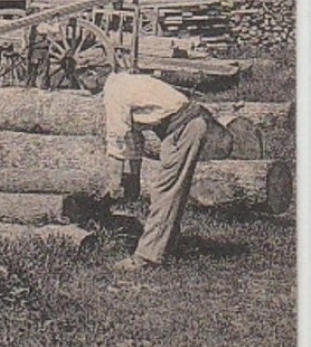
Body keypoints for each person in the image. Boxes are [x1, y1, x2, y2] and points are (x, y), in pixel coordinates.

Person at [99, 71, 233, 271]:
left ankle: (146, 258)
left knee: (165, 192)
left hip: (184, 126)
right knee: (172, 190)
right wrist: (133, 179)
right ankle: (167, 246)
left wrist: (114, 181)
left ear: (92, 73)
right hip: (183, 125)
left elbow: (117, 139)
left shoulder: (113, 92)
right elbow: (134, 139)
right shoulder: (125, 82)